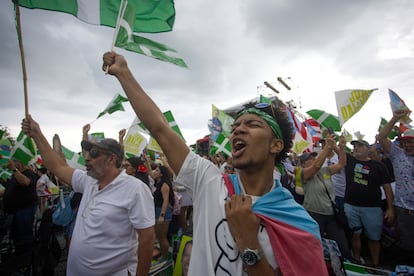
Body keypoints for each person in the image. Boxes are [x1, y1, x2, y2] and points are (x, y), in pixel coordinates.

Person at [103, 51, 327, 275]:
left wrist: (249, 244)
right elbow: (160, 128)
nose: (238, 129)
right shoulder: (209, 180)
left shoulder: (299, 224)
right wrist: (124, 73)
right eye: (236, 126)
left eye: (252, 124)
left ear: (275, 145)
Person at [21, 118, 155, 276]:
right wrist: (37, 134)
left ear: (111, 159)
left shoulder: (135, 189)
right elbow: (57, 166)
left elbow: (147, 238)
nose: (87, 158)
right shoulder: (88, 181)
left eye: (94, 153)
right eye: (88, 153)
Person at [297, 135, 352, 261]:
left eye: (314, 157)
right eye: (310, 159)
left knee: (342, 245)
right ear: (304, 163)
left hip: (331, 215)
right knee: (312, 245)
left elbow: (342, 163)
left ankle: (344, 266)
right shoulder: (301, 173)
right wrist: (328, 147)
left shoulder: (325, 171)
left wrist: (341, 148)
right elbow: (316, 166)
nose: (314, 159)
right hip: (314, 215)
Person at [344, 139, 395, 268]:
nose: (356, 148)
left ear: (368, 149)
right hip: (351, 205)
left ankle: (375, 265)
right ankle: (357, 260)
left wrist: (390, 208)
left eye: (359, 146)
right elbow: (336, 149)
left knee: (374, 238)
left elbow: (387, 188)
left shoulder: (379, 166)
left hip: (372, 208)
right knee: (355, 234)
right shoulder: (349, 161)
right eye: (354, 146)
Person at [378, 109, 414, 254]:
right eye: (405, 143)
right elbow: (381, 137)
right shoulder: (397, 155)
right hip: (403, 211)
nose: (408, 146)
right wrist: (394, 118)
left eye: (411, 142)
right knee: (408, 247)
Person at [2, 158, 39, 258]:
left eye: (14, 162)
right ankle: (18, 255)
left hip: (24, 210)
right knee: (16, 235)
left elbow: (25, 182)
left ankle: (27, 259)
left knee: (25, 234)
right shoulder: (14, 176)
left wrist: (14, 169)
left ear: (19, 162)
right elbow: (7, 190)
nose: (11, 164)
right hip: (13, 211)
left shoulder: (29, 173)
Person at [152, 164, 175, 260]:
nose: (154, 172)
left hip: (162, 212)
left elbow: (166, 200)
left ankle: (166, 259)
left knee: (162, 237)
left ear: (161, 174)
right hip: (157, 210)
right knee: (158, 236)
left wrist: (162, 215)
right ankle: (163, 256)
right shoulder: (157, 182)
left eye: (157, 170)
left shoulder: (164, 184)